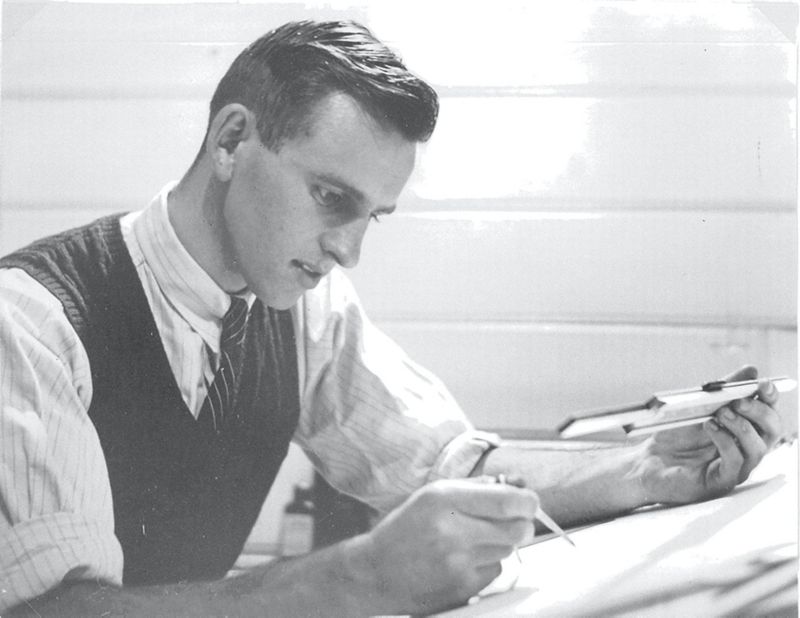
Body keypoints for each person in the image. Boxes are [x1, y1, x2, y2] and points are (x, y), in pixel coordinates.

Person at [0, 19, 785, 617]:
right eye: (330, 198)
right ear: (233, 138)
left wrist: (649, 469)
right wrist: (359, 575)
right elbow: (54, 612)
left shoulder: (305, 303)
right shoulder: (30, 323)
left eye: (371, 216)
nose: (347, 251)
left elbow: (444, 462)